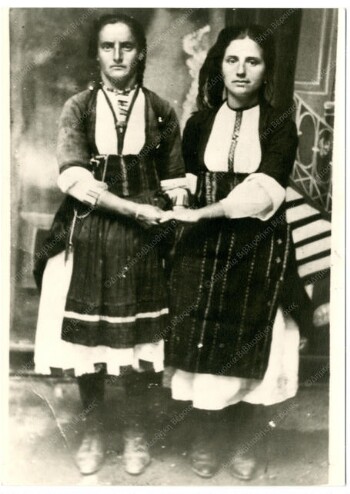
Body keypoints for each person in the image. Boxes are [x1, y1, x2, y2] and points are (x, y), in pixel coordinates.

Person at [34, 13, 187, 476]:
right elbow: (74, 179)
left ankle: (137, 429)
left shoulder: (161, 109)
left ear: (141, 52)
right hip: (90, 231)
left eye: (126, 47)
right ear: (97, 53)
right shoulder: (78, 107)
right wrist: (134, 209)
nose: (117, 56)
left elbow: (175, 177)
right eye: (107, 47)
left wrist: (174, 208)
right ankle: (94, 427)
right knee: (90, 343)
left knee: (141, 340)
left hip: (145, 240)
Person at [160, 25, 312, 480]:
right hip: (203, 247)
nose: (241, 70)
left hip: (257, 242)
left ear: (267, 71)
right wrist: (182, 200)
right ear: (220, 66)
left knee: (254, 335)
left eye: (253, 61)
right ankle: (208, 434)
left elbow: (266, 189)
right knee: (204, 335)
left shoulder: (280, 122)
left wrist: (207, 212)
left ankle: (246, 436)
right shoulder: (201, 121)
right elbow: (184, 173)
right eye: (232, 60)